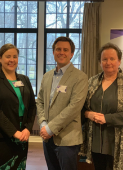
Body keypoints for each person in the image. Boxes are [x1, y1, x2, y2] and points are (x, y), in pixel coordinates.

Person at [36, 36, 88, 170]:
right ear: (53, 52)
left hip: (67, 139)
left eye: (66, 50)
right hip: (47, 138)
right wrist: (42, 123)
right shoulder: (47, 76)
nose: (61, 52)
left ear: (71, 54)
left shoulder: (80, 77)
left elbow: (74, 108)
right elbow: (40, 101)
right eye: (58, 49)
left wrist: (50, 128)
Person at [0, 43, 36, 170]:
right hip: (1, 136)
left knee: (19, 167)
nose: (11, 60)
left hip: (23, 134)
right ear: (0, 58)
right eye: (8, 56)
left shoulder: (24, 79)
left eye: (15, 56)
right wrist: (14, 132)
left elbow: (32, 107)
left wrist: (28, 129)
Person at [79, 43, 123, 170]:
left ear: (119, 61)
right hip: (95, 140)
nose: (108, 62)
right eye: (104, 59)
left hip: (117, 142)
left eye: (112, 58)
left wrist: (107, 118)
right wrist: (88, 114)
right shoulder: (91, 82)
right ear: (100, 62)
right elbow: (80, 107)